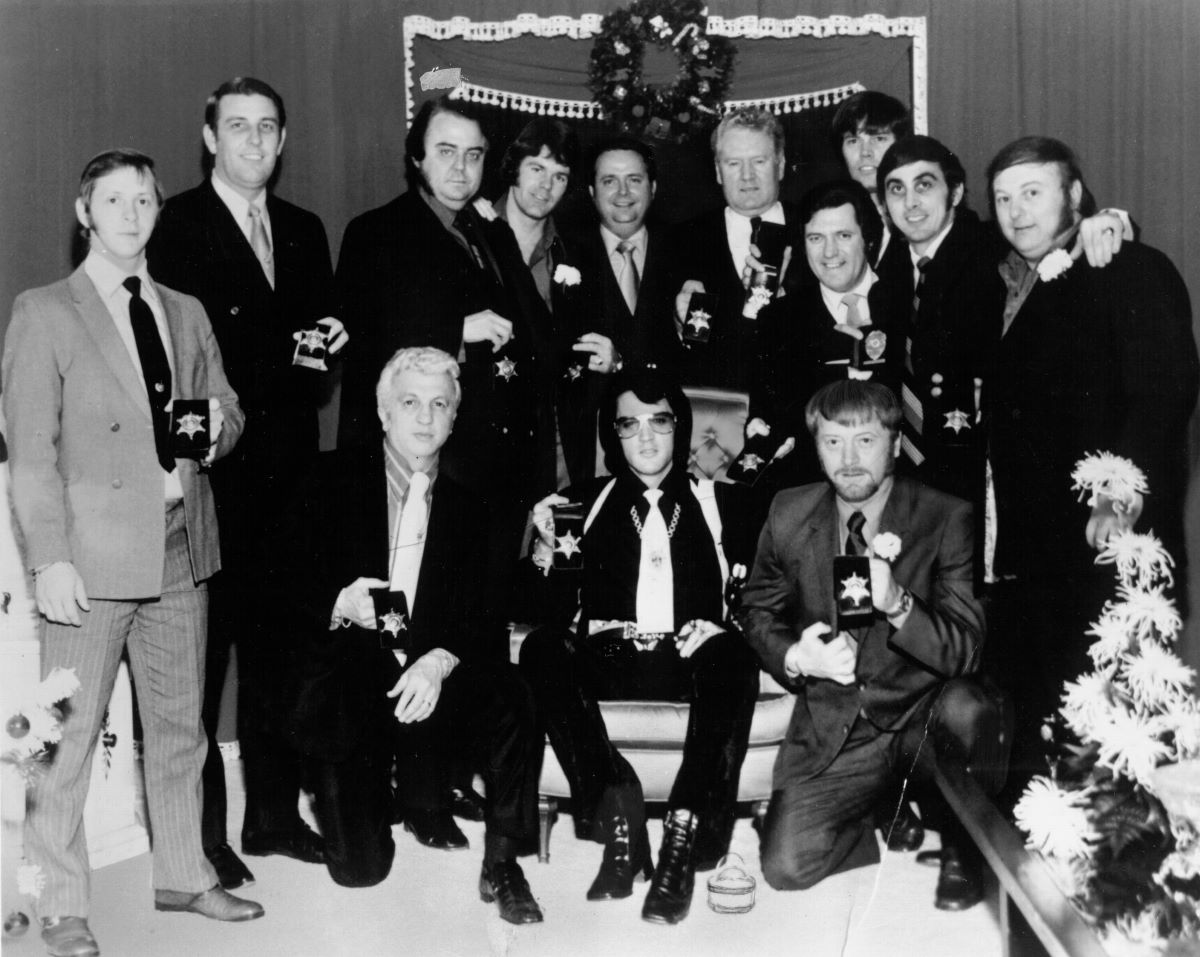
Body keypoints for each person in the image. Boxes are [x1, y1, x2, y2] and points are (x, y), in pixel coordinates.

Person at [4, 148, 259, 957]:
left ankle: (183, 873)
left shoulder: (183, 308)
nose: (130, 212)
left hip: (182, 544)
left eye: (143, 199)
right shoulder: (43, 309)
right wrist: (49, 560)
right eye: (112, 199)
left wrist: (221, 427)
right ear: (85, 213)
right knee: (64, 741)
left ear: (157, 210)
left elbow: (227, 404)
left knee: (180, 728)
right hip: (90, 556)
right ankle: (59, 902)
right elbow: (32, 452)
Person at [148, 75, 341, 888]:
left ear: (284, 140)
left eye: (268, 128)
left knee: (279, 655)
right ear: (209, 136)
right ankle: (199, 836)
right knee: (201, 664)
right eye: (239, 127)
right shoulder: (178, 225)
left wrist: (334, 336)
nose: (255, 142)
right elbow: (169, 357)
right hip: (216, 480)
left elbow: (323, 342)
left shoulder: (302, 228)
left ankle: (270, 817)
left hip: (291, 480)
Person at [281, 347, 543, 925]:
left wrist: (439, 660)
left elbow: (482, 618)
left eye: (439, 405)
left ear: (453, 418)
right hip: (351, 679)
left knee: (513, 694)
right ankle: (382, 789)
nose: (424, 419)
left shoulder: (475, 509)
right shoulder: (326, 481)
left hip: (428, 678)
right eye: (409, 403)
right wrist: (338, 603)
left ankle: (504, 861)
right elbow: (276, 591)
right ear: (382, 412)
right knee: (360, 870)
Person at [983, 136, 1199, 805]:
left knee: (1121, 751)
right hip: (1034, 560)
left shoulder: (1128, 265)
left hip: (1108, 549)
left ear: (1075, 195)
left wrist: (1116, 501)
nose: (1016, 211)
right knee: (1051, 749)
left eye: (1033, 192)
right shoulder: (1014, 283)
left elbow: (1163, 393)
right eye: (1004, 198)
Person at [739, 380, 1006, 910]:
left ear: (895, 443)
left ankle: (961, 843)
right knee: (785, 868)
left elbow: (966, 649)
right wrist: (797, 656)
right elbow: (757, 611)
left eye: (865, 440)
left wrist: (899, 604)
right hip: (837, 728)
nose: (850, 458)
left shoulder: (946, 516)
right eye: (833, 442)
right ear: (815, 446)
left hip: (920, 721)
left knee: (968, 708)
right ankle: (878, 810)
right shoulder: (789, 512)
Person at [519, 370, 760, 925]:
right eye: (630, 425)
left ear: (680, 428)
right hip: (610, 656)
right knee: (542, 651)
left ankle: (681, 834)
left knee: (734, 659)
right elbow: (544, 610)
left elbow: (766, 592)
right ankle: (618, 809)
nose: (647, 438)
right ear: (614, 434)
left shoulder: (726, 503)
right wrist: (545, 554)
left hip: (690, 657)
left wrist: (729, 628)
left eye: (660, 422)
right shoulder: (581, 502)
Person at [728, 180, 903, 494]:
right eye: (816, 238)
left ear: (869, 240)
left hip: (900, 490)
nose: (830, 252)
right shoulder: (778, 319)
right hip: (809, 494)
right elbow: (768, 423)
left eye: (844, 236)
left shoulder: (905, 307)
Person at [492, 117, 619, 494]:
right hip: (488, 446)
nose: (546, 186)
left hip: (560, 449)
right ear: (514, 166)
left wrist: (610, 360)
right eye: (536, 168)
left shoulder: (577, 253)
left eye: (560, 176)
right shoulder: (472, 238)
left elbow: (597, 344)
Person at [673, 108, 803, 389]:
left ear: (780, 165)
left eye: (759, 161)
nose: (747, 176)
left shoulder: (814, 230)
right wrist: (677, 323)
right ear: (718, 171)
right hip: (719, 412)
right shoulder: (682, 240)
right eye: (733, 163)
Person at [568, 137, 680, 376]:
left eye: (634, 180)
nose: (623, 192)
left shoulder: (683, 253)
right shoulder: (565, 255)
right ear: (591, 192)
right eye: (609, 181)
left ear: (653, 188)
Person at [830, 91, 912, 265]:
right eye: (853, 141)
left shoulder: (920, 218)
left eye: (879, 138)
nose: (865, 152)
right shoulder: (832, 222)